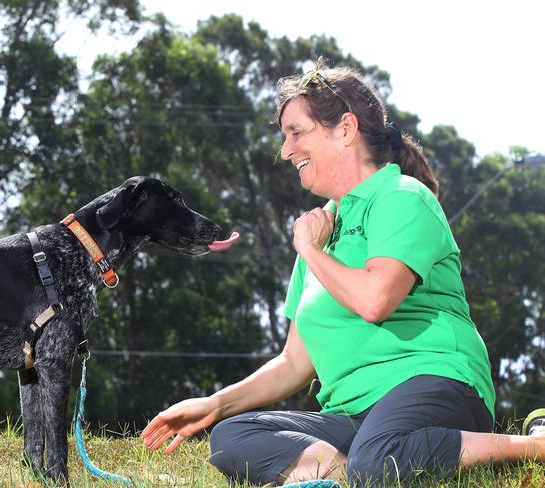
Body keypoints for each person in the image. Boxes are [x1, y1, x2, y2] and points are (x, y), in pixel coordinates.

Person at [141, 60, 545, 487]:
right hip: (353, 414)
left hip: (433, 383)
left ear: (345, 129)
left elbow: (375, 300)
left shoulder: (401, 196)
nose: (285, 150)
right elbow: (295, 361)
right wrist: (216, 404)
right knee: (231, 439)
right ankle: (345, 473)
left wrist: (309, 250)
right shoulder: (320, 232)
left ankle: (535, 445)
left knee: (376, 459)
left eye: (297, 132)